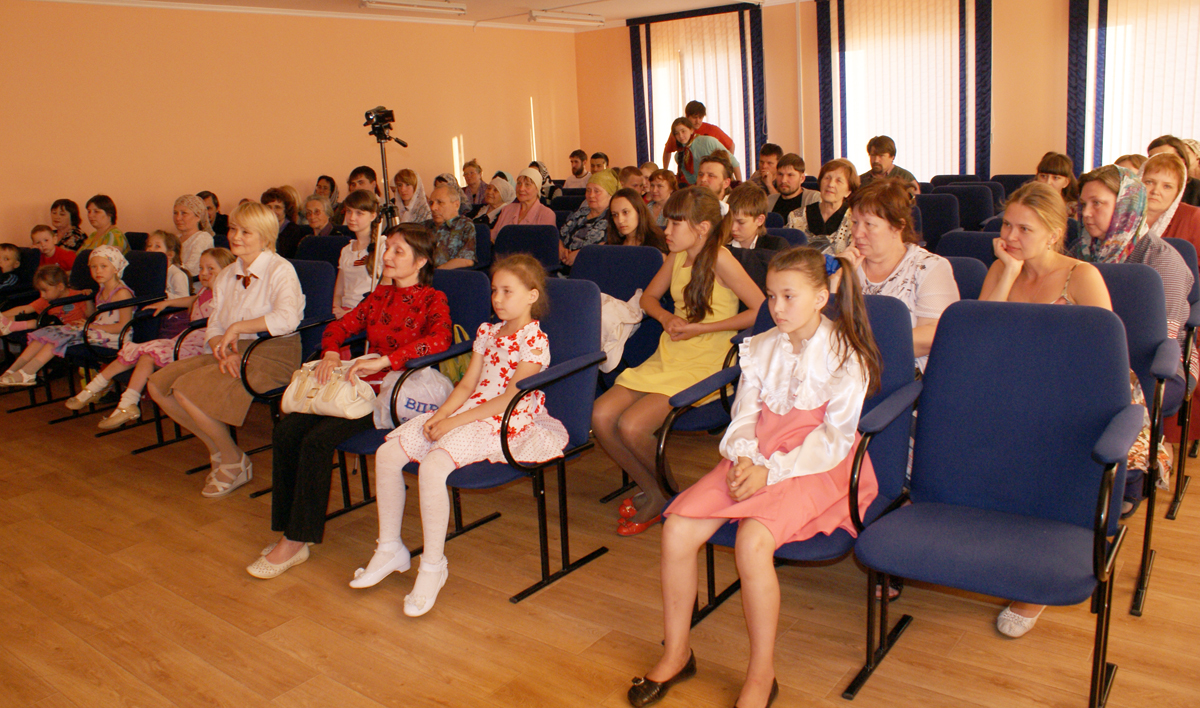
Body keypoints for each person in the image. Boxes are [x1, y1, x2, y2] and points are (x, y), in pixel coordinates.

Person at [629, 246, 881, 708]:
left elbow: (835, 438)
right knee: (677, 528)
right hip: (756, 454)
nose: (776, 307)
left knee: (752, 541)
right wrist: (747, 458)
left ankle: (762, 673)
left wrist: (772, 471)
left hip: (814, 464)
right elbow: (744, 416)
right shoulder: (761, 347)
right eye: (771, 296)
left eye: (789, 296)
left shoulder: (847, 353)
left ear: (821, 298)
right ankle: (677, 653)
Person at [354, 254, 569, 617]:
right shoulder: (487, 332)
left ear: (532, 296)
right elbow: (468, 385)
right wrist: (440, 416)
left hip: (505, 419)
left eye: (507, 291)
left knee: (433, 466)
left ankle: (433, 566)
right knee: (388, 454)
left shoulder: (533, 340)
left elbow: (508, 397)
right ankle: (389, 548)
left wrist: (454, 424)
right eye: (494, 291)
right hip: (471, 408)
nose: (497, 299)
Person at [248, 224, 452, 579]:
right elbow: (341, 326)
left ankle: (296, 540)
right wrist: (330, 351)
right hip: (360, 387)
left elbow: (440, 340)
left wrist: (386, 360)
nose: (387, 256)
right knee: (287, 430)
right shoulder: (380, 295)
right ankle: (289, 529)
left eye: (398, 251)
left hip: (395, 394)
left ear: (421, 261)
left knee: (316, 440)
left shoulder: (432, 298)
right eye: (387, 248)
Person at [592, 187, 765, 533]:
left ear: (702, 228)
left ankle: (663, 493)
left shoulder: (721, 259)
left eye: (674, 223)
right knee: (600, 416)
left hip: (708, 357)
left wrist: (704, 328)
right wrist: (666, 318)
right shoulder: (676, 255)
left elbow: (761, 309)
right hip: (672, 351)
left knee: (632, 426)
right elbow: (649, 299)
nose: (665, 230)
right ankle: (658, 490)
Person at [147, 202, 304, 498]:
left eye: (246, 231)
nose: (235, 236)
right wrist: (223, 349)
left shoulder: (280, 269)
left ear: (265, 236)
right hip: (231, 350)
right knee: (158, 384)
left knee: (186, 390)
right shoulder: (228, 273)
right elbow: (215, 324)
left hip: (272, 352)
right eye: (233, 229)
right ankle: (221, 450)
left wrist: (238, 328)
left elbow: (287, 319)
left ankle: (232, 462)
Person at [65, 248, 236, 429]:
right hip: (186, 340)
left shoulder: (227, 296)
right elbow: (193, 300)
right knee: (140, 352)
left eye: (211, 269)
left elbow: (221, 319)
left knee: (147, 353)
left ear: (227, 272)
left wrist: (213, 293)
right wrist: (167, 303)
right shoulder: (205, 291)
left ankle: (107, 395)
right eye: (201, 268)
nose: (204, 273)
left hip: (203, 347)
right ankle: (118, 400)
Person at [842, 179, 959, 372]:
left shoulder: (929, 268)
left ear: (897, 227)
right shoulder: (847, 265)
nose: (857, 233)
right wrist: (838, 276)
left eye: (869, 224)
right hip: (845, 373)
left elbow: (934, 335)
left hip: (902, 375)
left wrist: (858, 343)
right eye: (854, 222)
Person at [0, 246, 133, 387]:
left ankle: (28, 373)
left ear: (116, 268)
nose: (98, 271)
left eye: (103, 266)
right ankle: (13, 371)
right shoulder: (102, 290)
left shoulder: (121, 293)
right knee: (46, 332)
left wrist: (90, 325)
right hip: (97, 331)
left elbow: (123, 327)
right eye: (93, 267)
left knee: (58, 336)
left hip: (115, 338)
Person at [788, 158, 859, 254]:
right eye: (827, 178)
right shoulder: (796, 217)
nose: (831, 184)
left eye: (839, 181)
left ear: (848, 191)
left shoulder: (855, 220)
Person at [333, 190, 381, 317]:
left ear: (372, 216)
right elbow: (338, 293)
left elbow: (383, 294)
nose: (352, 218)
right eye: (349, 211)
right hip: (345, 312)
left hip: (368, 314)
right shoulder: (346, 250)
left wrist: (350, 313)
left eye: (359, 213)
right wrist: (337, 309)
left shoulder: (382, 246)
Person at [0, 265, 84, 337]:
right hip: (54, 331)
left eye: (45, 291)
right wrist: (2, 315)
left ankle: (15, 325)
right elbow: (25, 308)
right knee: (25, 316)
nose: (42, 295)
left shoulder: (78, 295)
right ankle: (5, 323)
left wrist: (86, 296)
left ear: (60, 287)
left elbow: (88, 315)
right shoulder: (46, 299)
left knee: (46, 319)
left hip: (71, 330)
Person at [661, 100, 737, 178]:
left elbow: (731, 145)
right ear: (687, 116)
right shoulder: (679, 132)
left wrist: (724, 166)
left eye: (700, 117)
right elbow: (667, 151)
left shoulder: (712, 130)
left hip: (709, 176)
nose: (698, 121)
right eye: (694, 118)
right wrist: (665, 171)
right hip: (686, 178)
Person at [560, 169, 618, 267]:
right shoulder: (579, 213)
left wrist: (581, 254)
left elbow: (611, 246)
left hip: (593, 268)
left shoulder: (614, 217)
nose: (591, 195)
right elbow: (561, 235)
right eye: (588, 190)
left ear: (610, 194)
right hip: (563, 265)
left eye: (597, 191)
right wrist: (561, 249)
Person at [668, 117, 741, 187]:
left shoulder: (708, 142)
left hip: (722, 185)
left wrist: (739, 184)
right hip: (703, 189)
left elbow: (733, 161)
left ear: (691, 130)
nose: (680, 135)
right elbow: (692, 180)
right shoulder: (679, 156)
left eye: (683, 131)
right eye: (677, 133)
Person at [492, 168, 556, 238]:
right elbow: (493, 237)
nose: (521, 188)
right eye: (519, 183)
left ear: (537, 189)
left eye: (527, 184)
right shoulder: (506, 210)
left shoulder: (546, 214)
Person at [424, 184, 476, 269]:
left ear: (456, 205)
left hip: (445, 274)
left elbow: (466, 260)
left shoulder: (463, 225)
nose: (433, 208)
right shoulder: (424, 226)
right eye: (431, 203)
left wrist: (436, 272)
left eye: (440, 202)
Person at [724, 185, 788, 252]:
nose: (733, 228)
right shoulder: (721, 245)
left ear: (760, 220)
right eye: (730, 221)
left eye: (741, 222)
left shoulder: (776, 246)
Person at [607, 187, 668, 253]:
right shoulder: (612, 247)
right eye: (615, 215)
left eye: (625, 212)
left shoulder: (655, 245)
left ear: (639, 211)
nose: (620, 220)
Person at [1147, 135, 1200, 207]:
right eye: (1153, 158)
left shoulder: (1197, 189)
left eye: (1166, 157)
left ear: (1182, 160)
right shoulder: (1143, 187)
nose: (1159, 162)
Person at [173, 194, 215, 276]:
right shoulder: (175, 238)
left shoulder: (203, 238)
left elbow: (192, 271)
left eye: (184, 213)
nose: (178, 218)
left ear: (198, 217)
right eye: (175, 213)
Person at [769, 154, 820, 218]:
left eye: (790, 175)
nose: (783, 180)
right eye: (780, 174)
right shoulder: (769, 201)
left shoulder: (814, 199)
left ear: (802, 178)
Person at [262, 188, 308, 259]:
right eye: (268, 207)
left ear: (286, 210)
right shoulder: (260, 228)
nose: (272, 211)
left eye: (277, 207)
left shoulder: (294, 231)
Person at [1035, 152, 1081, 218]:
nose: (1048, 182)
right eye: (1043, 176)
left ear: (1066, 182)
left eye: (1055, 178)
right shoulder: (1026, 203)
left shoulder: (1073, 209)